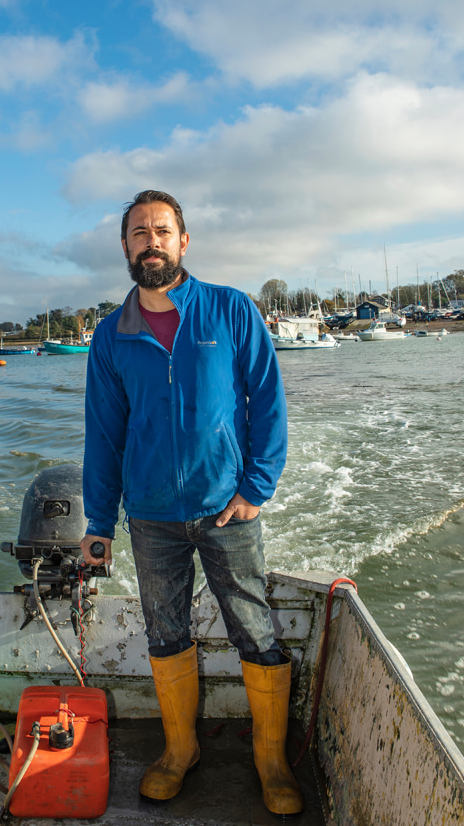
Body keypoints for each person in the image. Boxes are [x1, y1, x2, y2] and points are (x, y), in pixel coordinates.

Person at [80, 190, 302, 815]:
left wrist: (256, 489)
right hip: (151, 516)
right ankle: (181, 750)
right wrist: (100, 521)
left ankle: (271, 760)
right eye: (138, 233)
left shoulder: (230, 311)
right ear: (125, 247)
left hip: (226, 509)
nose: (151, 241)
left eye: (162, 230)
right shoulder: (110, 337)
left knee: (255, 630)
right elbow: (104, 434)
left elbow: (268, 402)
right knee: (166, 631)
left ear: (183, 241)